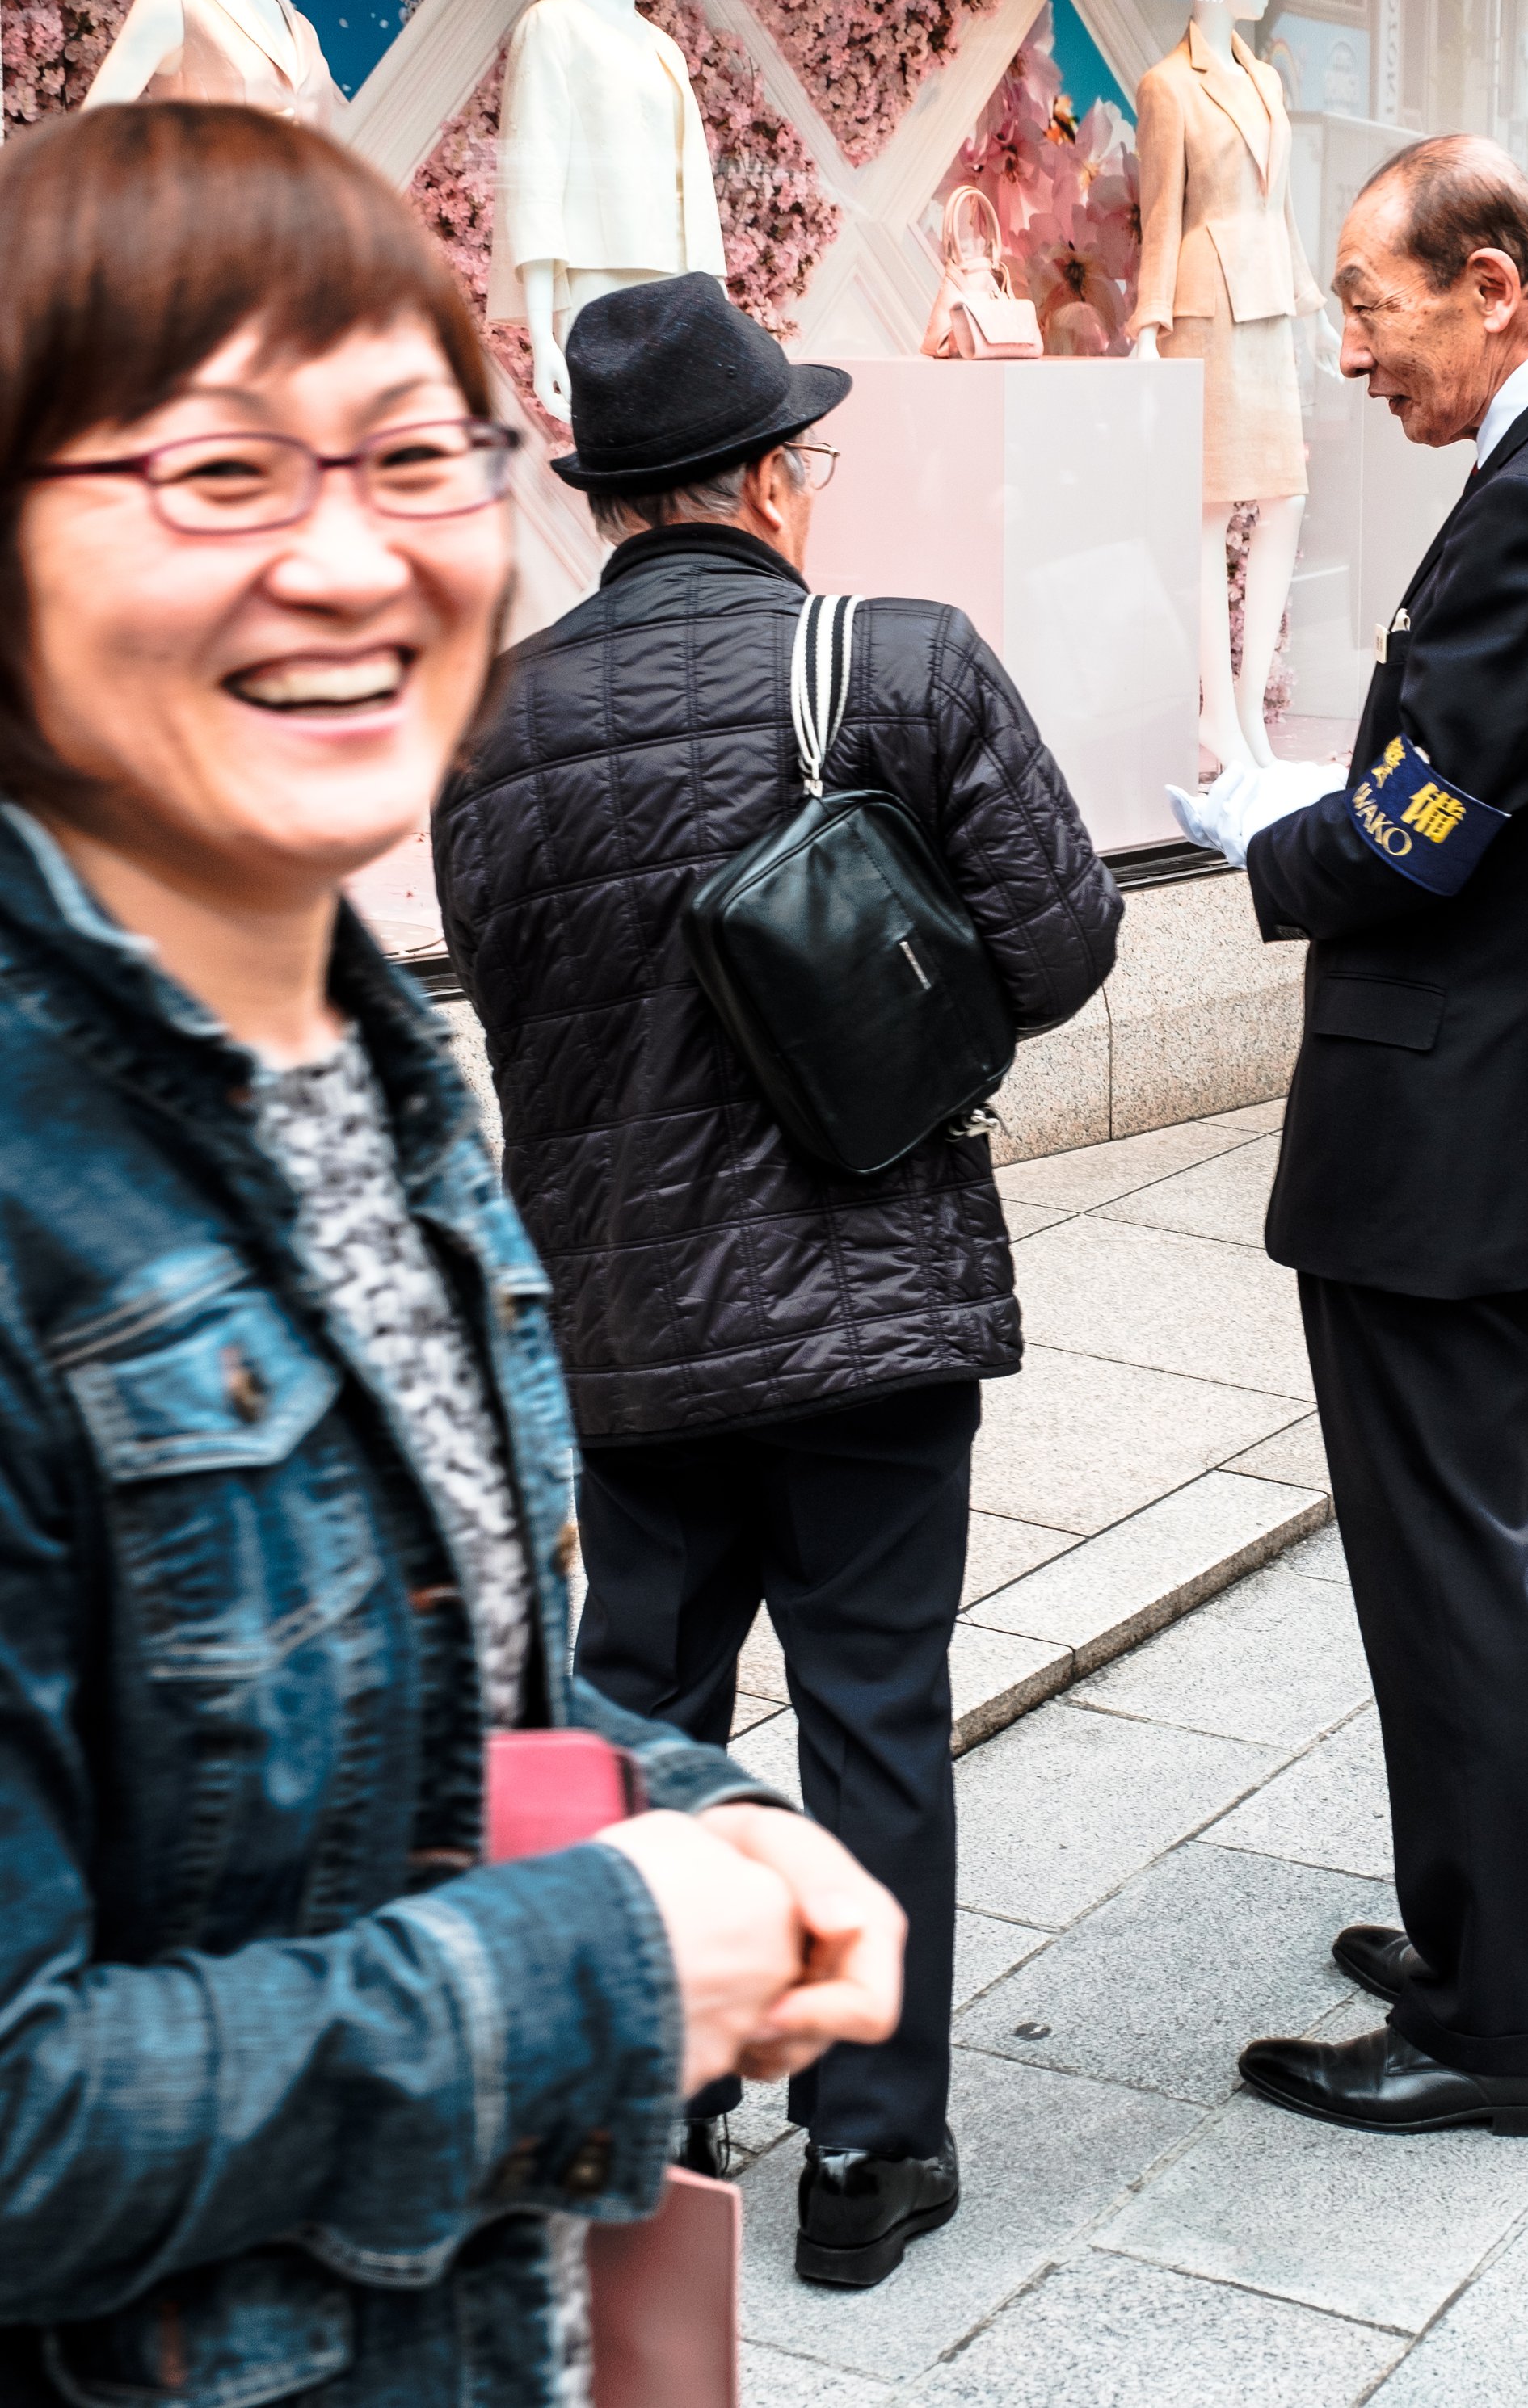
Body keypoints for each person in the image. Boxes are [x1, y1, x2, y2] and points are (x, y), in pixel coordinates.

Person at [0, 104, 903, 2408]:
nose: (349, 558)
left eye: (417, 458)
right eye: (217, 473)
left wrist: (672, 1812)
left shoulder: (362, 1045)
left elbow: (426, 1717)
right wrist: (598, 1965)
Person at [433, 274, 1122, 2286]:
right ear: (761, 476)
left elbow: (515, 1002)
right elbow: (1067, 942)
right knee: (875, 1713)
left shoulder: (491, 727)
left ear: (606, 501)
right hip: (867, 1303)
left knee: (636, 1697)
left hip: (624, 1332)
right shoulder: (895, 663)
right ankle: (867, 2161)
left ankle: (648, 2112)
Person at [1175, 135, 1528, 2139]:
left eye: (1370, 301)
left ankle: (1505, 2023)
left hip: (1460, 1123)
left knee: (1457, 1568)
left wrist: (1270, 828)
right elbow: (1512, 775)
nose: (1345, 350)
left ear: (1493, 280)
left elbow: (1424, 833)